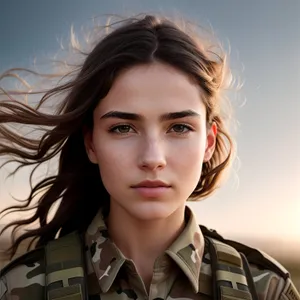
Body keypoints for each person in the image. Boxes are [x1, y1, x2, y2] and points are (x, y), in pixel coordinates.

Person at [0, 14, 299, 300]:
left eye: (179, 127)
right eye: (123, 128)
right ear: (91, 143)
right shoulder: (20, 289)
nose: (153, 158)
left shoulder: (266, 290)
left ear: (208, 142)